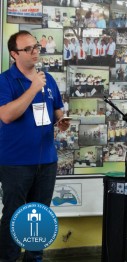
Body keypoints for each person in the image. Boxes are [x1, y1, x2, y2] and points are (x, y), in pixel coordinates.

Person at [0, 30, 70, 261]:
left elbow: (57, 109)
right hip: (15, 163)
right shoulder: (5, 80)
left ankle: (34, 259)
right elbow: (7, 115)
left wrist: (61, 120)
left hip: (47, 161)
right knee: (13, 215)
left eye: (36, 47)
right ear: (13, 54)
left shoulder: (47, 79)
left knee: (39, 215)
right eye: (28, 49)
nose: (34, 52)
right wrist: (32, 88)